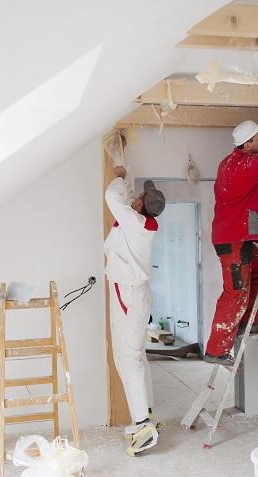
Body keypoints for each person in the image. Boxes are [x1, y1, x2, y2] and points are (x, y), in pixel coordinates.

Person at [204, 120, 258, 369]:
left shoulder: (229, 162)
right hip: (233, 240)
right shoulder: (246, 165)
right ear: (248, 143)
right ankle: (216, 350)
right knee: (235, 293)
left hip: (237, 237)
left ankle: (249, 320)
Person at [103, 160, 165, 456]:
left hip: (128, 295)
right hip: (133, 293)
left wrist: (120, 175)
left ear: (140, 205)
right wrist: (122, 168)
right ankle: (148, 415)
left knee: (127, 359)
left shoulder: (134, 222)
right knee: (136, 355)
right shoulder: (140, 220)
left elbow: (112, 198)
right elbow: (125, 201)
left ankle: (143, 426)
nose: (136, 196)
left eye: (139, 196)